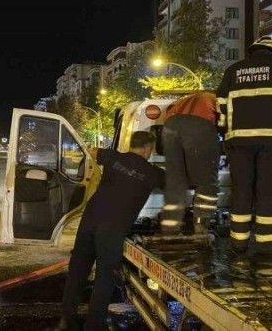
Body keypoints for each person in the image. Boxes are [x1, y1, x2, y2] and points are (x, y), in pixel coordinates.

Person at [60, 131, 164, 330]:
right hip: (113, 229)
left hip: (90, 220)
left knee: (78, 269)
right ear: (147, 148)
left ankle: (68, 318)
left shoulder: (112, 157)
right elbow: (179, 181)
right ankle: (93, 326)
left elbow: (93, 151)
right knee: (105, 278)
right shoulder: (152, 173)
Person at [216, 36, 272, 255]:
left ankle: (238, 242)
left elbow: (220, 106)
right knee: (269, 191)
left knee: (242, 189)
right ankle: (267, 243)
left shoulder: (233, 71)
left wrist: (224, 134)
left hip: (238, 142)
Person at [159, 90, 220, 235]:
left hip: (170, 126)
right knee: (206, 181)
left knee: (175, 181)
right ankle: (201, 227)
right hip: (199, 125)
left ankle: (170, 229)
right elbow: (225, 125)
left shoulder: (185, 99)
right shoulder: (217, 99)